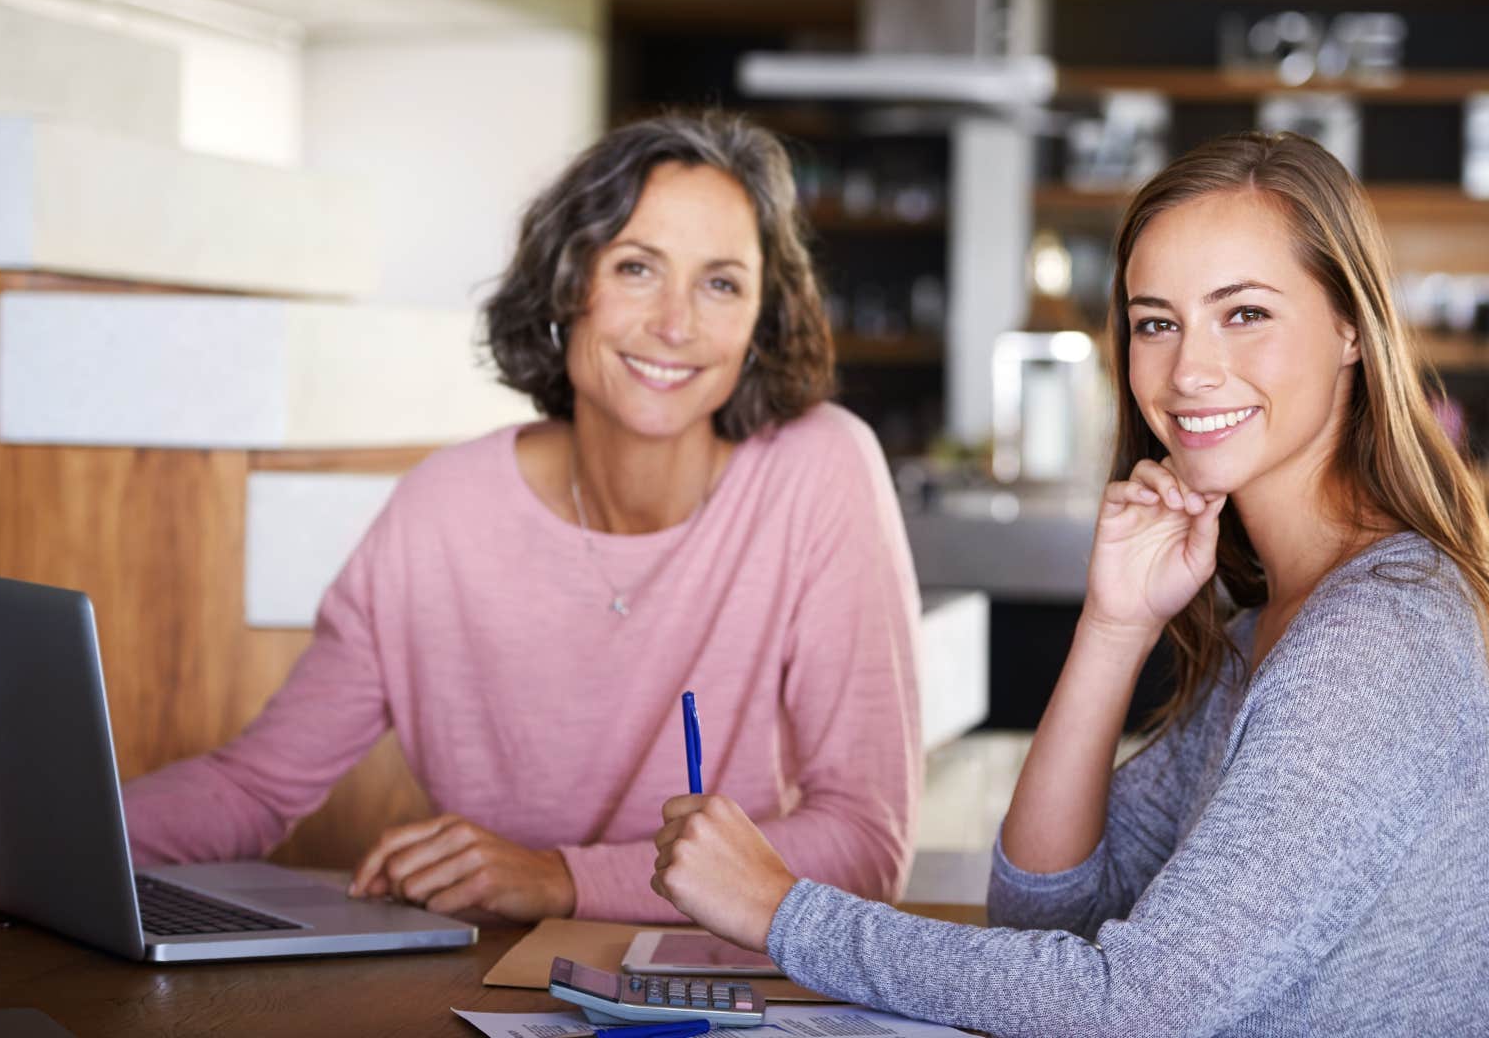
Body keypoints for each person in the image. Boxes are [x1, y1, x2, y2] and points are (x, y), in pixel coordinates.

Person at [650, 131, 1489, 1035]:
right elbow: (1043, 910)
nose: (1190, 370)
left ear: (1349, 327)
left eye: (1245, 312)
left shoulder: (1374, 641)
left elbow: (1133, 1007)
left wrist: (779, 910)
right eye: (1156, 323)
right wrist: (1113, 624)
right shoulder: (1273, 623)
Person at [117, 112, 923, 924]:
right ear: (568, 287)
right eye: (637, 267)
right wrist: (27, 830)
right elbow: (255, 787)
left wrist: (562, 879)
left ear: (760, 321)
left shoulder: (819, 469)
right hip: (490, 991)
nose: (676, 324)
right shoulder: (442, 511)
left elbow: (866, 849)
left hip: (724, 999)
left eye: (721, 283)